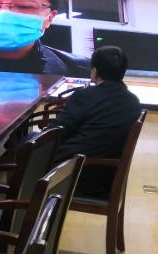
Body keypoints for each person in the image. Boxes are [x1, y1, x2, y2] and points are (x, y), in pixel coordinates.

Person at [52, 45, 142, 194]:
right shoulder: (133, 102)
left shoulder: (85, 96)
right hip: (106, 177)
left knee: (29, 149)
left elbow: (56, 132)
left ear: (95, 71)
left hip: (73, 174)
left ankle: (21, 202)